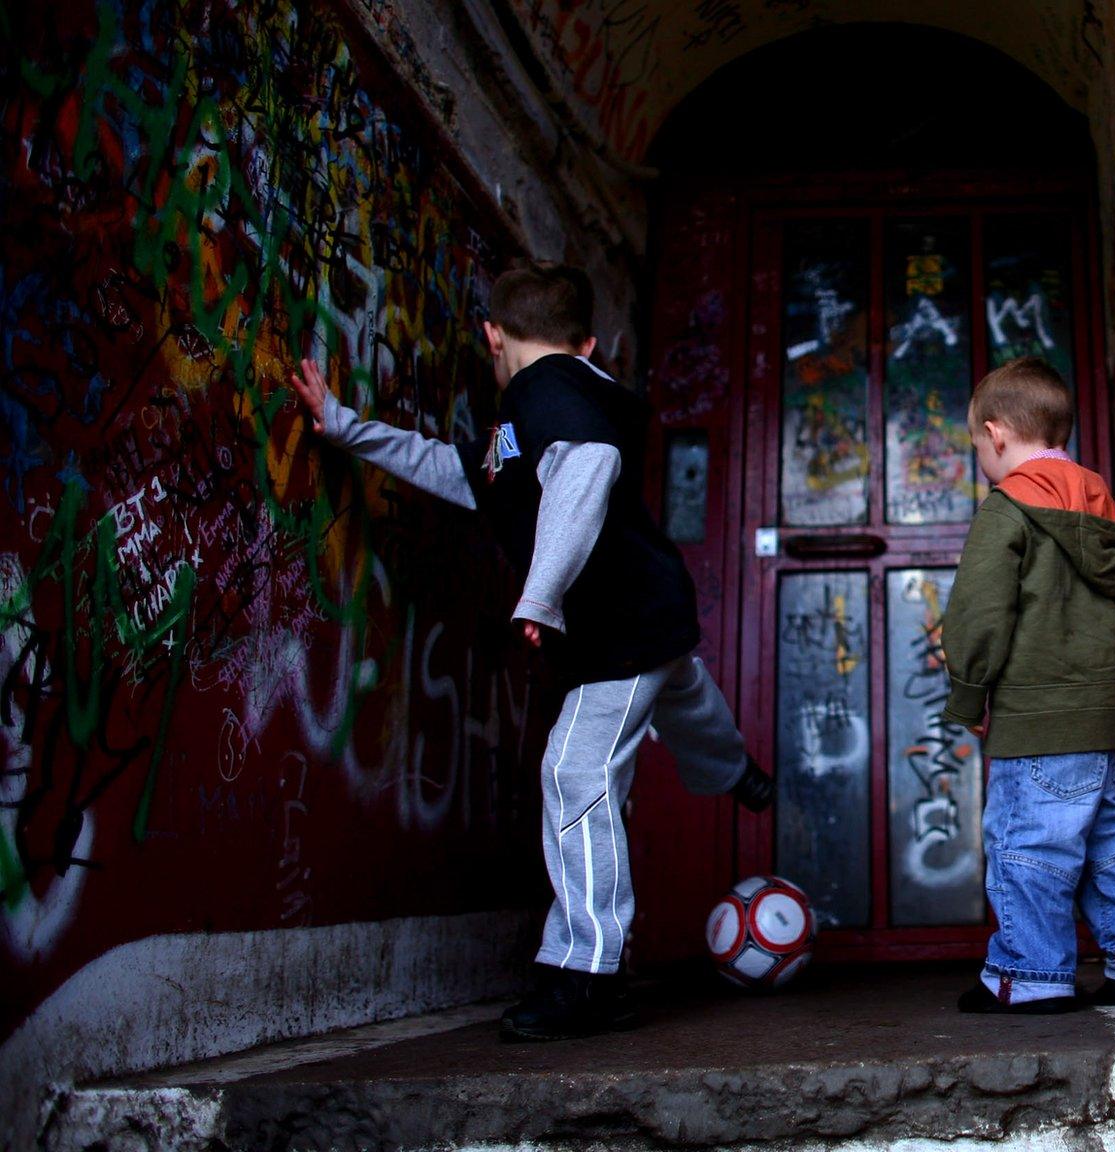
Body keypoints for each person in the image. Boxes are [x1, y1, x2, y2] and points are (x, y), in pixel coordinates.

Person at [284, 261, 773, 1041]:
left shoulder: (548, 394)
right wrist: (346, 427)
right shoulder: (536, 408)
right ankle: (733, 769)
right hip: (652, 616)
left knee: (574, 771)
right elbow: (466, 473)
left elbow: (589, 472)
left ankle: (586, 977)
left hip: (618, 629)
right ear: (584, 339)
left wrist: (541, 594)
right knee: (683, 694)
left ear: (492, 334)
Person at [940, 356, 1115, 1013]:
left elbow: (978, 613)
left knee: (1028, 839)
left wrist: (970, 693)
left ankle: (1027, 974)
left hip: (1041, 712)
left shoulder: (1007, 510)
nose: (984, 462)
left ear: (997, 436)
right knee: (1107, 828)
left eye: (979, 449)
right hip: (1107, 709)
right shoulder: (1103, 503)